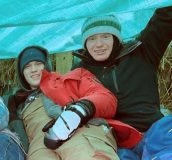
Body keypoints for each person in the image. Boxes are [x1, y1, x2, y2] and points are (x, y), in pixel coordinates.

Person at [72, 6, 172, 159]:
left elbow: (165, 18)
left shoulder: (141, 51)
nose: (98, 44)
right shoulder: (80, 72)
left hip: (153, 131)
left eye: (105, 36)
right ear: (85, 43)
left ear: (116, 38)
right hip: (116, 142)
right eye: (92, 38)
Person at [10, 45, 119, 160]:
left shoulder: (71, 78)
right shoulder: (17, 104)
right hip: (40, 147)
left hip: (78, 132)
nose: (33, 69)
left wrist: (81, 109)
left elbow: (107, 99)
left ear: (46, 65)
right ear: (22, 73)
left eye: (38, 63)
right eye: (27, 66)